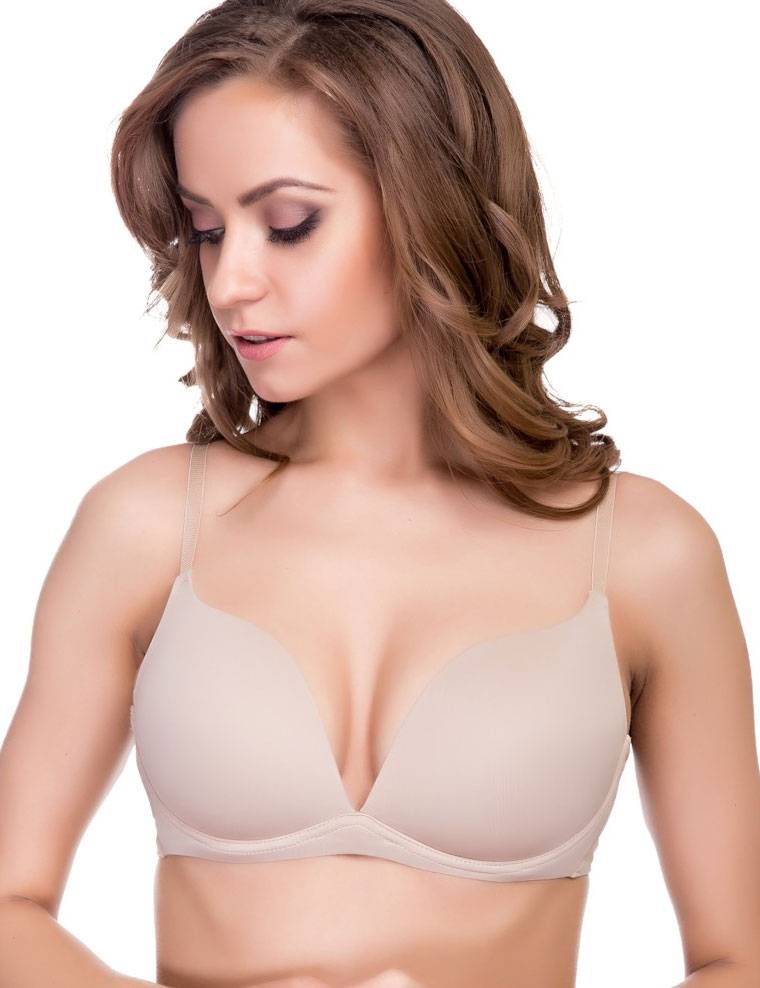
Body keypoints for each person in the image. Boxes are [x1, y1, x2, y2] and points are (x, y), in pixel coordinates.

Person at [1, 1, 758, 986]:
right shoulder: (145, 528)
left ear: (430, 205)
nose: (230, 282)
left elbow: (738, 959)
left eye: (288, 225)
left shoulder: (646, 555)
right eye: (207, 230)